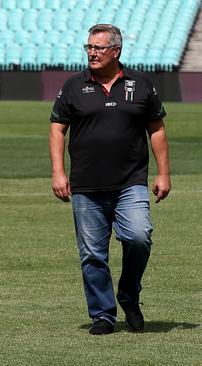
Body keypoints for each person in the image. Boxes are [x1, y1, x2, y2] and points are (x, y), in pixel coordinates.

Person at [49, 24, 170, 335]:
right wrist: (58, 171)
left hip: (131, 182)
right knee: (92, 254)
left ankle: (129, 294)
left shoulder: (141, 84)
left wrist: (164, 173)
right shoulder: (74, 86)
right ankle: (103, 315)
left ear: (116, 51)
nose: (91, 52)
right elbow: (57, 128)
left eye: (98, 48)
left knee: (139, 237)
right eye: (88, 47)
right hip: (86, 186)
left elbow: (156, 129)